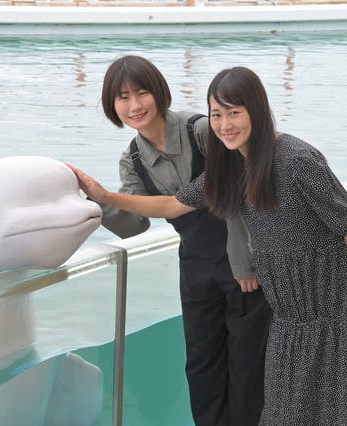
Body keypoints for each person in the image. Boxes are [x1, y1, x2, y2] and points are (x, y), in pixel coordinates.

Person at [69, 66, 347, 425]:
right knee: (287, 405)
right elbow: (169, 205)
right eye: (217, 115)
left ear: (256, 110)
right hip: (290, 305)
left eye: (234, 113)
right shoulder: (226, 171)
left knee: (338, 402)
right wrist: (101, 196)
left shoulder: (298, 160)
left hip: (334, 292)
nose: (224, 124)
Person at [95, 56, 271, 426]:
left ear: (159, 93)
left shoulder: (202, 130)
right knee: (202, 367)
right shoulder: (132, 158)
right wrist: (93, 203)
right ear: (112, 105)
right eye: (122, 98)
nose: (135, 106)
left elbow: (241, 196)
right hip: (194, 268)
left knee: (246, 367)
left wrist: (243, 263)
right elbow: (134, 224)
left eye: (142, 93)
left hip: (243, 263)